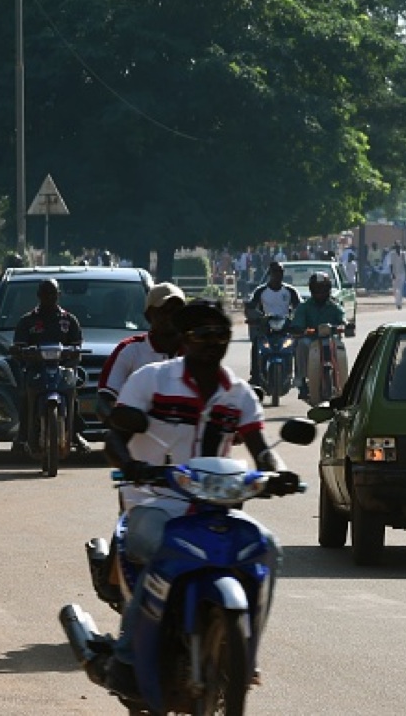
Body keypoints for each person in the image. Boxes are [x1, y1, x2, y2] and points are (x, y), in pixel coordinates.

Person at [99, 298, 293, 700]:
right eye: (204, 335)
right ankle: (126, 658)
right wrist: (130, 465)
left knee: (267, 548)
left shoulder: (238, 394)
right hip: (153, 501)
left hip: (215, 509)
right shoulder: (151, 380)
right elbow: (115, 433)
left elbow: (261, 447)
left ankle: (245, 656)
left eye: (222, 335)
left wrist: (278, 472)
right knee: (160, 552)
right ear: (185, 340)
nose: (214, 343)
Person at [11, 278, 89, 453]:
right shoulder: (28, 321)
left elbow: (77, 347)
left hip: (62, 369)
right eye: (45, 294)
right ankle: (23, 434)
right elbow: (19, 346)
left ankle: (74, 432)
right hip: (36, 370)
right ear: (39, 296)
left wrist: (72, 358)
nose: (49, 298)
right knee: (25, 395)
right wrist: (21, 351)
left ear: (59, 295)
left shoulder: (69, 320)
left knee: (72, 394)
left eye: (53, 294)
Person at [96, 283, 186, 420]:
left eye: (176, 311)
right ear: (149, 315)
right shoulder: (129, 350)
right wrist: (120, 429)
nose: (170, 316)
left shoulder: (195, 352)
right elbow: (103, 402)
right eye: (164, 310)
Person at [290, 273, 346, 399]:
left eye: (323, 289)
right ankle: (302, 380)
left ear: (328, 289)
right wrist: (301, 329)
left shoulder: (334, 306)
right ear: (311, 290)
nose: (320, 292)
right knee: (302, 343)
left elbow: (343, 319)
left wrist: (344, 326)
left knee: (339, 346)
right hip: (311, 340)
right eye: (317, 289)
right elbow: (298, 324)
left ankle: (343, 382)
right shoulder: (304, 307)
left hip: (331, 339)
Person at [246, 262, 302, 385]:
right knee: (257, 345)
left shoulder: (290, 291)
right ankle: (255, 376)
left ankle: (299, 377)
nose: (277, 275)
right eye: (275, 272)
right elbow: (251, 306)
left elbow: (299, 307)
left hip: (285, 326)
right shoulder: (260, 291)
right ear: (270, 274)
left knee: (297, 345)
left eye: (280, 272)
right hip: (266, 327)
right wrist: (253, 318)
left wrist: (297, 319)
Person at [386, 242, 406, 310]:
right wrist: (392, 274)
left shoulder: (403, 254)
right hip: (395, 273)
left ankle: (399, 303)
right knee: (395, 289)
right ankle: (397, 302)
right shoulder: (392, 254)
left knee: (400, 288)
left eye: (399, 247)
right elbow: (390, 265)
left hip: (402, 273)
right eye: (397, 247)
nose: (398, 248)